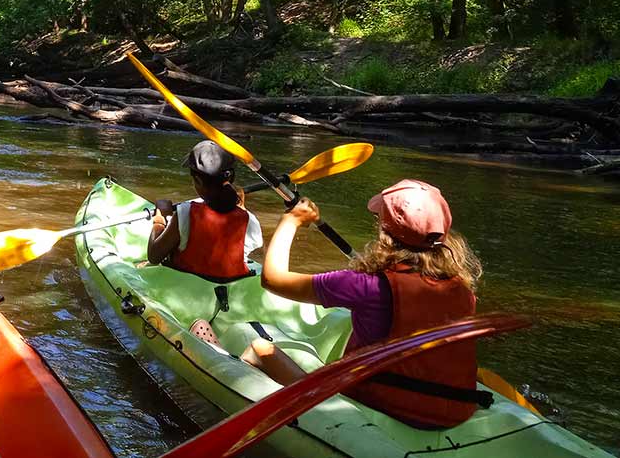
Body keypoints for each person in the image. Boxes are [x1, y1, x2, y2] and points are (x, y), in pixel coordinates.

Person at [244, 179, 486, 429]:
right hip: (454, 410)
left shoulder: (366, 285)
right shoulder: (462, 289)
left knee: (260, 349)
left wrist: (291, 221)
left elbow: (272, 279)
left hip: (384, 402)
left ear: (384, 230)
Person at [145, 140, 263, 284]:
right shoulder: (249, 220)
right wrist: (241, 208)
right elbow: (249, 240)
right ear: (231, 178)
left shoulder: (185, 213)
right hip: (230, 289)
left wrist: (160, 217)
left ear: (198, 181)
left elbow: (154, 255)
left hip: (187, 289)